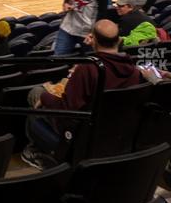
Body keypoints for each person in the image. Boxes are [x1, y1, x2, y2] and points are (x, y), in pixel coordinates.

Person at [23, 20, 140, 168]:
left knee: (36, 93)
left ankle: (40, 153)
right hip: (115, 130)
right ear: (118, 41)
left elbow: (67, 109)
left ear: (93, 40)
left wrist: (45, 97)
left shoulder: (89, 69)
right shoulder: (133, 70)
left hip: (82, 132)